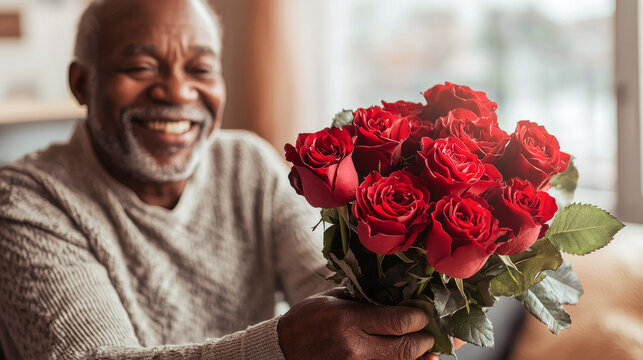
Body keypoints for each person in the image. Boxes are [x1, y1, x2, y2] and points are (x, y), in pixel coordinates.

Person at [0, 0, 439, 359]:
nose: (177, 92)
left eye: (201, 69)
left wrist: (414, 301)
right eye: (141, 68)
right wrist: (285, 345)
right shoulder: (23, 200)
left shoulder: (247, 163)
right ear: (81, 83)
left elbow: (327, 285)